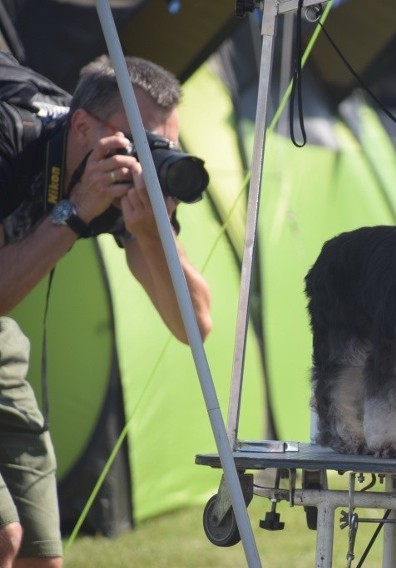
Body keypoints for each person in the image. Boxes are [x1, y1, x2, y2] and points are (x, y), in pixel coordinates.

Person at [0, 55, 212, 567]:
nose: (151, 161)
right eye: (143, 144)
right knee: (3, 536)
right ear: (81, 127)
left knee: (37, 554)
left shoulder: (119, 177)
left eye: (164, 147)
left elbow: (193, 325)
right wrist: (73, 213)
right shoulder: (12, 139)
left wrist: (150, 234)